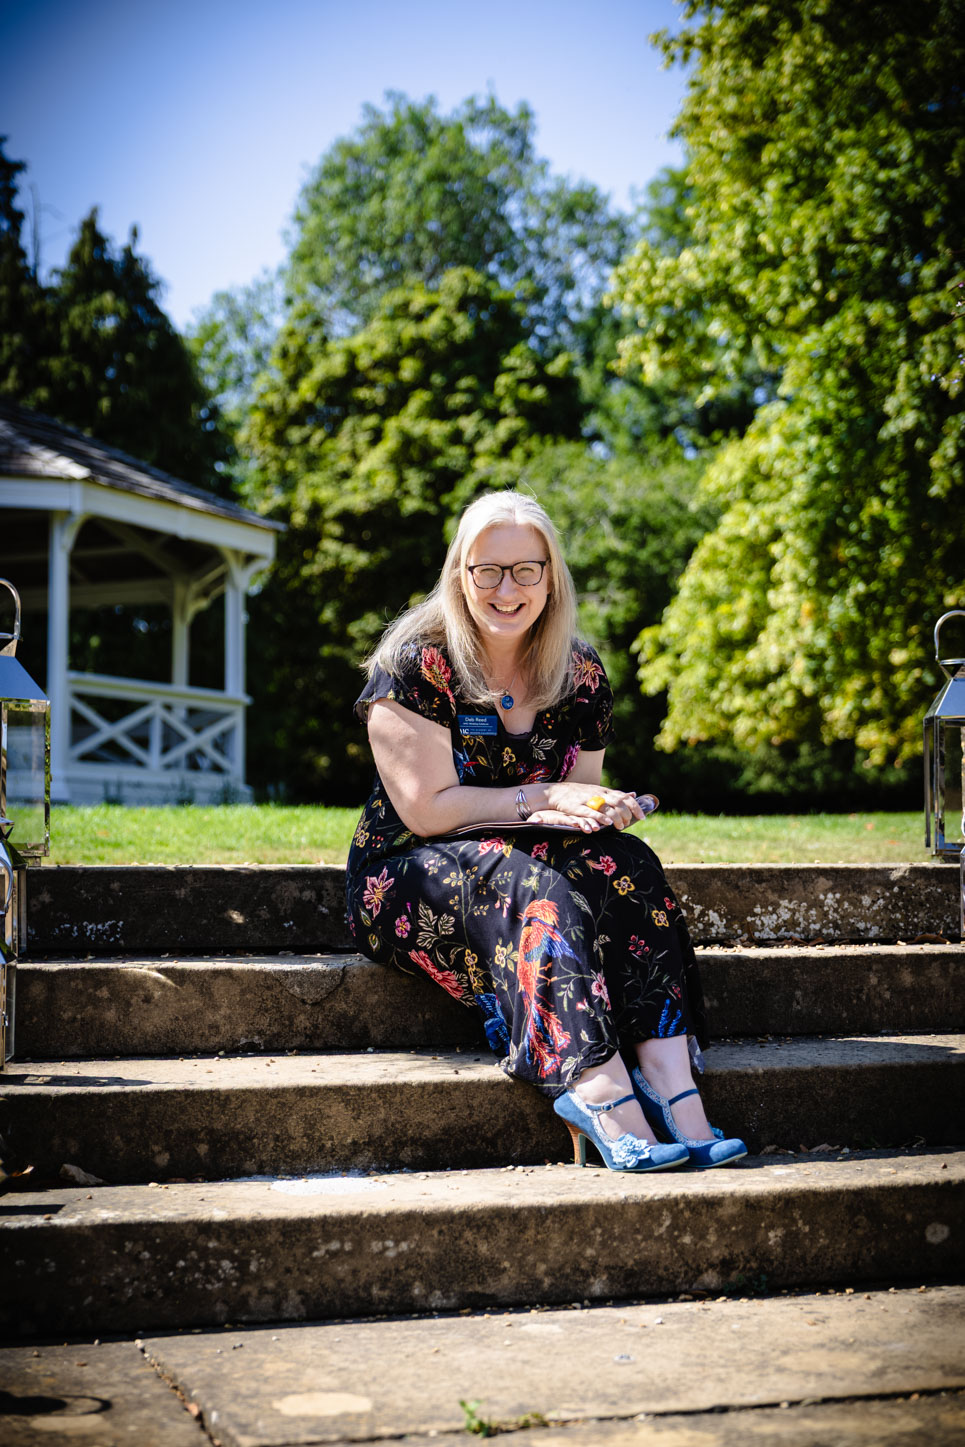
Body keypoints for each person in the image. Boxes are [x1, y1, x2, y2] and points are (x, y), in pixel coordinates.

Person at [345, 491, 746, 1173]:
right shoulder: (415, 664)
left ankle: (673, 1084)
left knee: (629, 862)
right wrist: (543, 797)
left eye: (525, 569)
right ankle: (597, 1088)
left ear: (550, 576)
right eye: (487, 570)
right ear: (458, 574)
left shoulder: (578, 670)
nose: (507, 588)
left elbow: (576, 800)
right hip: (409, 869)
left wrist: (598, 811)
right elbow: (427, 811)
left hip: (513, 855)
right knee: (534, 890)